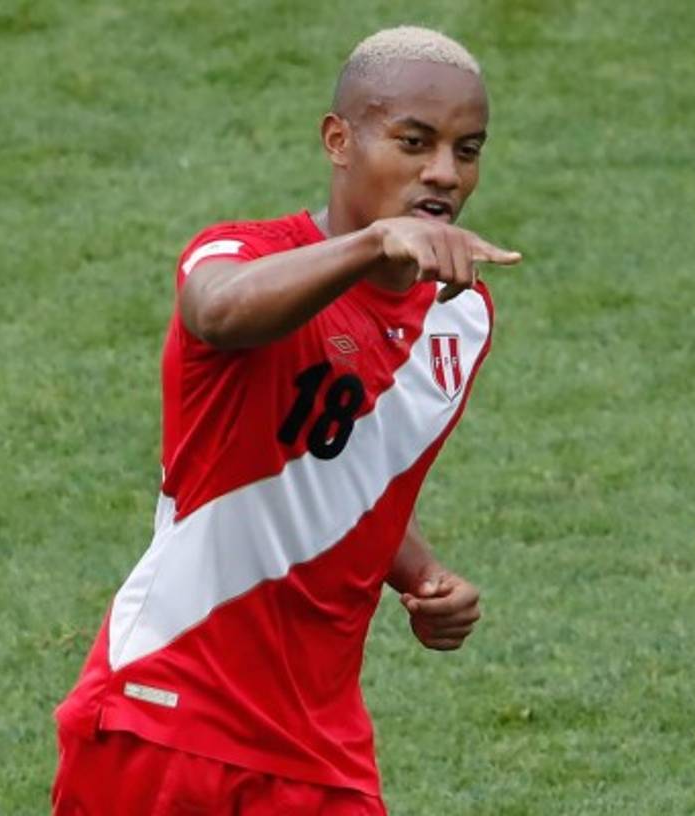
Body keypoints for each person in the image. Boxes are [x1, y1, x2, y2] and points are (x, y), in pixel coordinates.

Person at [51, 26, 520, 815]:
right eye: (414, 142)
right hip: (166, 714)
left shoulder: (459, 318)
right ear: (340, 140)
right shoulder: (243, 254)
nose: (443, 172)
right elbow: (219, 312)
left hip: (319, 748)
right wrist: (373, 246)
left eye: (466, 149)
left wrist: (422, 574)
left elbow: (337, 472)